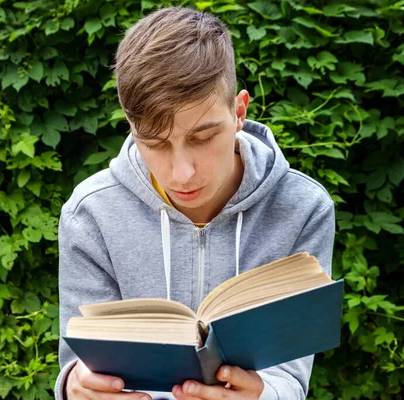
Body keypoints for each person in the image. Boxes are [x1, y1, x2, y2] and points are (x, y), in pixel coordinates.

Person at [54, 6, 335, 400]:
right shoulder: (90, 214)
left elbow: (291, 375)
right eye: (154, 143)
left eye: (203, 137)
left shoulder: (303, 208)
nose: (181, 173)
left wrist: (263, 395)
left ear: (239, 111)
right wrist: (74, 386)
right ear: (131, 127)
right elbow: (76, 363)